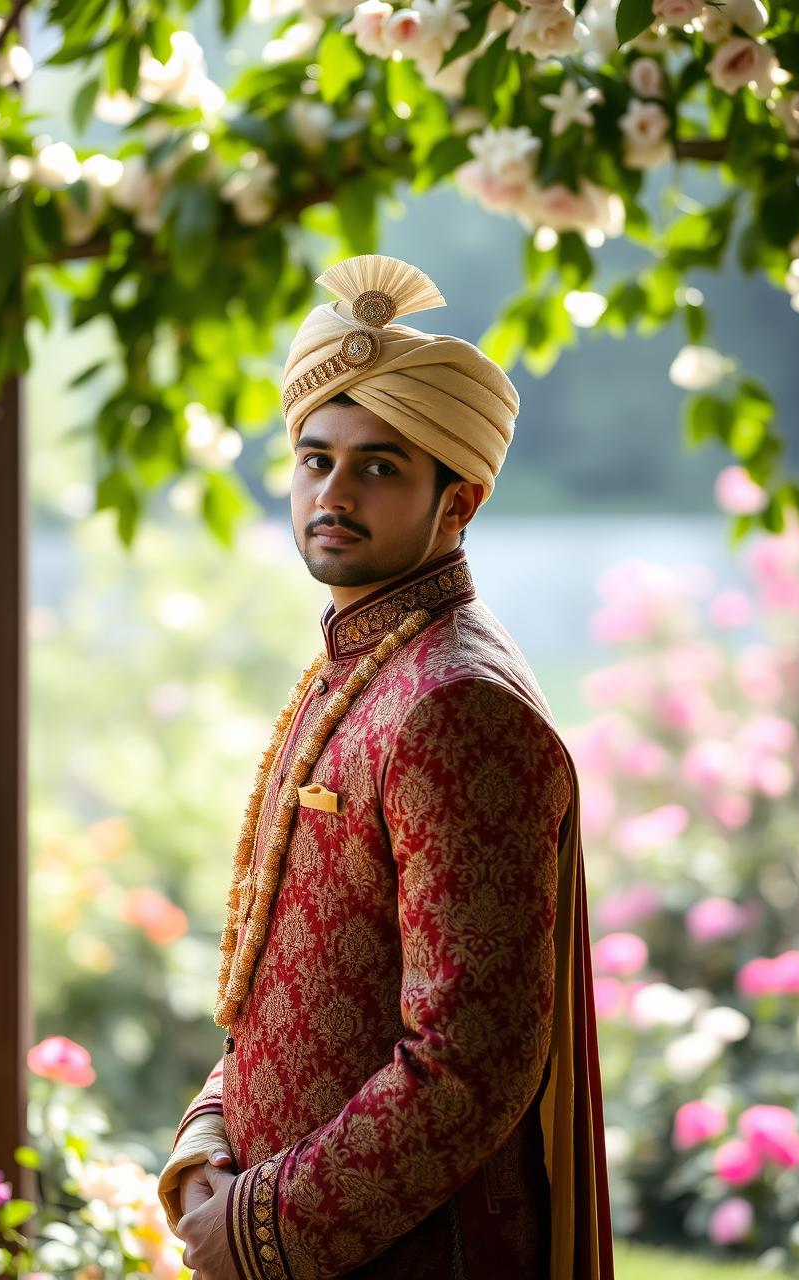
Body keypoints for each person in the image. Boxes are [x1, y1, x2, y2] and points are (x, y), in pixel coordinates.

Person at [157, 253, 614, 1279]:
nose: (333, 490)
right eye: (315, 458)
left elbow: (468, 1065)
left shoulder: (456, 703)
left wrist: (256, 1228)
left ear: (461, 501)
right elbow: (294, 972)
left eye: (378, 465)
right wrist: (208, 1138)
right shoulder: (365, 666)